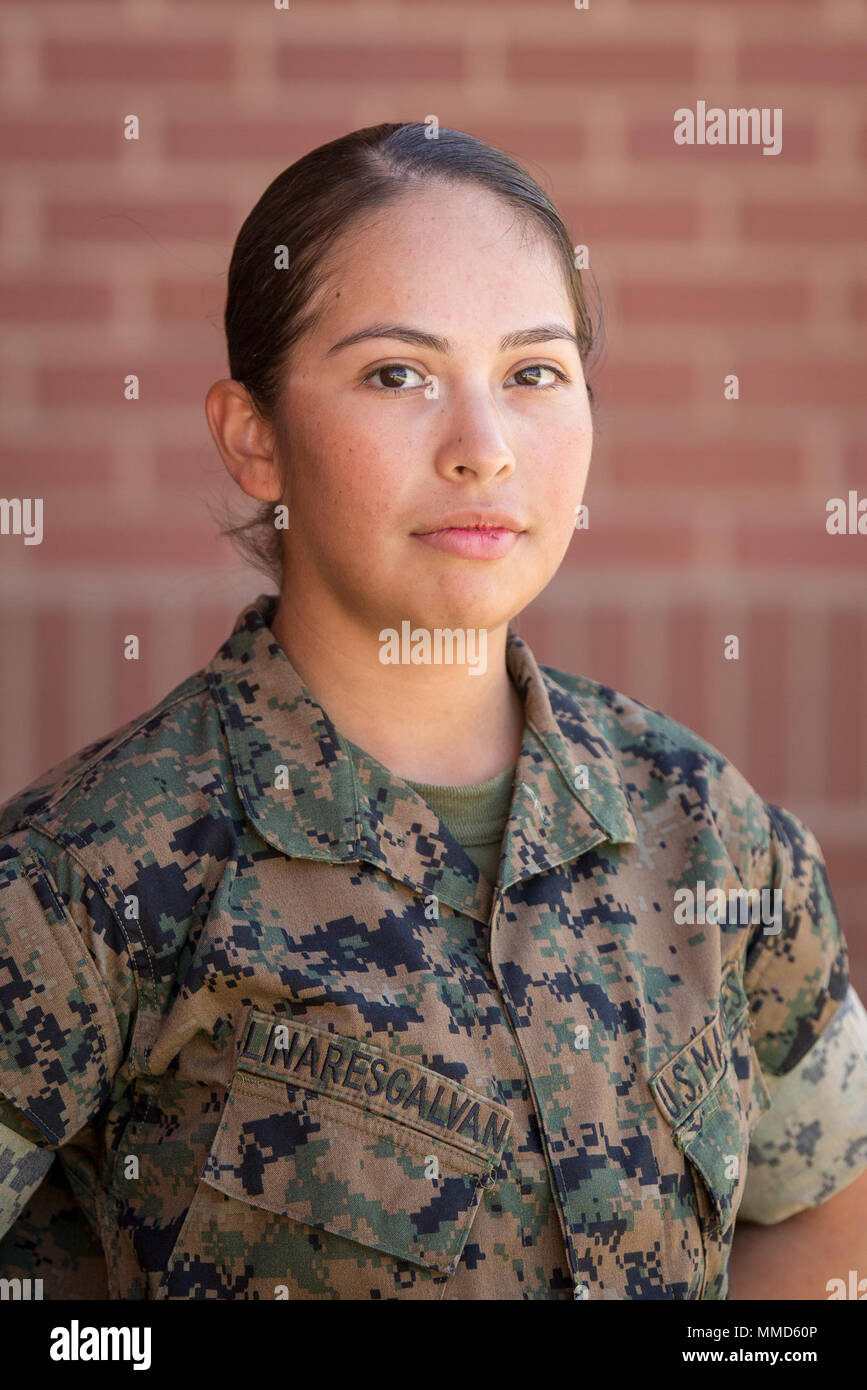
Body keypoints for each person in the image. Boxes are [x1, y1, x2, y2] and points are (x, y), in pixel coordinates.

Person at [0, 122, 865, 1302]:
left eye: (534, 374)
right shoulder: (81, 878)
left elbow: (823, 1215)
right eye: (396, 373)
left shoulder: (709, 829)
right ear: (254, 438)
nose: (483, 449)